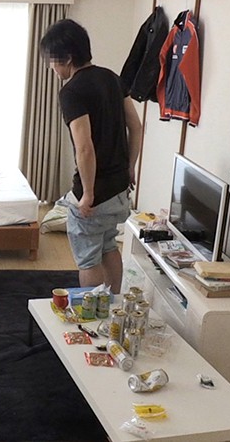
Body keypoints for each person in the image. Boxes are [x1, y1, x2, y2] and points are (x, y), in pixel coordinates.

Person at [40, 19, 143, 293]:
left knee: (87, 258)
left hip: (96, 194)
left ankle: (92, 312)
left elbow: (84, 147)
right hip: (119, 189)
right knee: (108, 245)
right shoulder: (112, 78)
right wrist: (130, 167)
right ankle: (113, 303)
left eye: (52, 60)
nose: (51, 67)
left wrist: (87, 194)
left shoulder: (72, 91)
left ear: (67, 58)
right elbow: (136, 126)